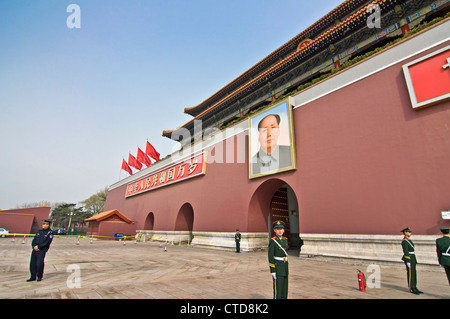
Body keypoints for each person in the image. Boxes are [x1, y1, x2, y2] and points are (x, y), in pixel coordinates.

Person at [268, 220, 289, 299]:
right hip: (278, 267)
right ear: (274, 230)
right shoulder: (273, 241)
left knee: (284, 289)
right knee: (278, 289)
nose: (280, 231)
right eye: (277, 229)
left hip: (285, 267)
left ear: (283, 230)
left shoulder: (285, 240)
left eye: (281, 229)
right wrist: (273, 270)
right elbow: (270, 256)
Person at [401, 227, 423, 295]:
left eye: (410, 232)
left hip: (413, 258)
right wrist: (407, 261)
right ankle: (411, 288)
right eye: (409, 232)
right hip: (409, 258)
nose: (410, 233)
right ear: (405, 233)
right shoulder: (404, 241)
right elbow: (406, 251)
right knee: (410, 274)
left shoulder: (408, 240)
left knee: (414, 274)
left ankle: (415, 287)